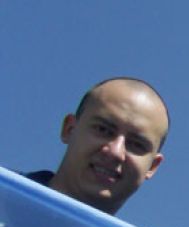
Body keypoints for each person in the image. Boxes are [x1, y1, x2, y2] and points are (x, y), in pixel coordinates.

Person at [24, 77, 169, 214]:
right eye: (103, 130)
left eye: (136, 144)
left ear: (152, 167)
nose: (115, 152)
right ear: (69, 129)